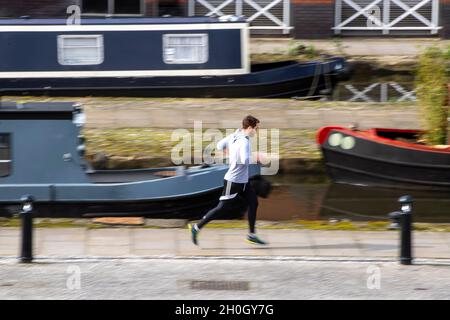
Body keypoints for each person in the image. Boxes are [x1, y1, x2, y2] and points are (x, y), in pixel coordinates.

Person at [188, 115, 267, 246]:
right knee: (222, 208)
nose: (256, 132)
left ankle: (252, 235)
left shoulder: (234, 135)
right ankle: (196, 227)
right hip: (234, 181)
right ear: (249, 128)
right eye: (256, 129)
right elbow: (244, 160)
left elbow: (219, 146)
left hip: (243, 181)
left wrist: (230, 152)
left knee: (254, 202)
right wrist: (257, 157)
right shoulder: (245, 142)